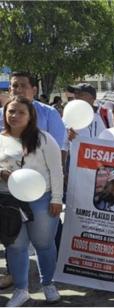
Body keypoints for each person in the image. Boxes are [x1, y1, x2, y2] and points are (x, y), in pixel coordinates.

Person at [0, 71, 66, 289]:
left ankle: (49, 284)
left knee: (44, 243)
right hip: (8, 198)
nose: (16, 90)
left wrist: (57, 197)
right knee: (15, 246)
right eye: (13, 86)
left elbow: (58, 160)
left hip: (42, 197)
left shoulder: (48, 121)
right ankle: (19, 286)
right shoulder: (2, 121)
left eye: (21, 86)